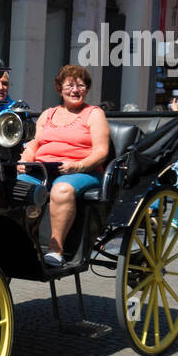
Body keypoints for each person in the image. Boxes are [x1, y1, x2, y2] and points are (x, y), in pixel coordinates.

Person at [17, 64, 110, 268]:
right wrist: (25, 160)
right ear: (59, 89)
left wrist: (77, 166)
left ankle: (55, 249)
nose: (75, 90)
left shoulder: (94, 114)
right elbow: (34, 143)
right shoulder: (47, 114)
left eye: (81, 85)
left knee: (62, 190)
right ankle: (25, 243)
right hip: (43, 169)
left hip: (82, 171)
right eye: (70, 85)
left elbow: (101, 152)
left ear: (87, 89)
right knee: (17, 187)